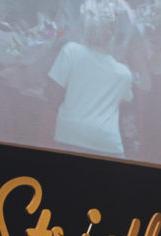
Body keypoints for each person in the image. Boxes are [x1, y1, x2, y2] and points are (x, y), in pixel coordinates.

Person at [47, 4, 134, 157]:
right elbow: (126, 100)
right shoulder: (123, 73)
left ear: (85, 28)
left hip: (69, 136)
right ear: (113, 34)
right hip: (107, 144)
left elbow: (53, 97)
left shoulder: (70, 51)